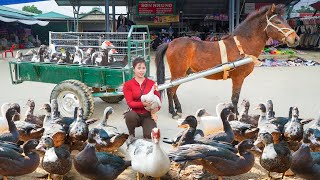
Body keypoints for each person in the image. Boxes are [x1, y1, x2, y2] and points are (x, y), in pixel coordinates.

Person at [123, 57, 161, 139]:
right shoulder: (128, 84)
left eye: (143, 68)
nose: (141, 70)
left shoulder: (152, 83)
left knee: (149, 136)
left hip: (147, 114)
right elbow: (130, 103)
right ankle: (131, 135)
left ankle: (148, 126)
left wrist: (155, 110)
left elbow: (158, 99)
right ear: (134, 69)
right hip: (135, 113)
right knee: (130, 116)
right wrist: (142, 104)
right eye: (139, 68)